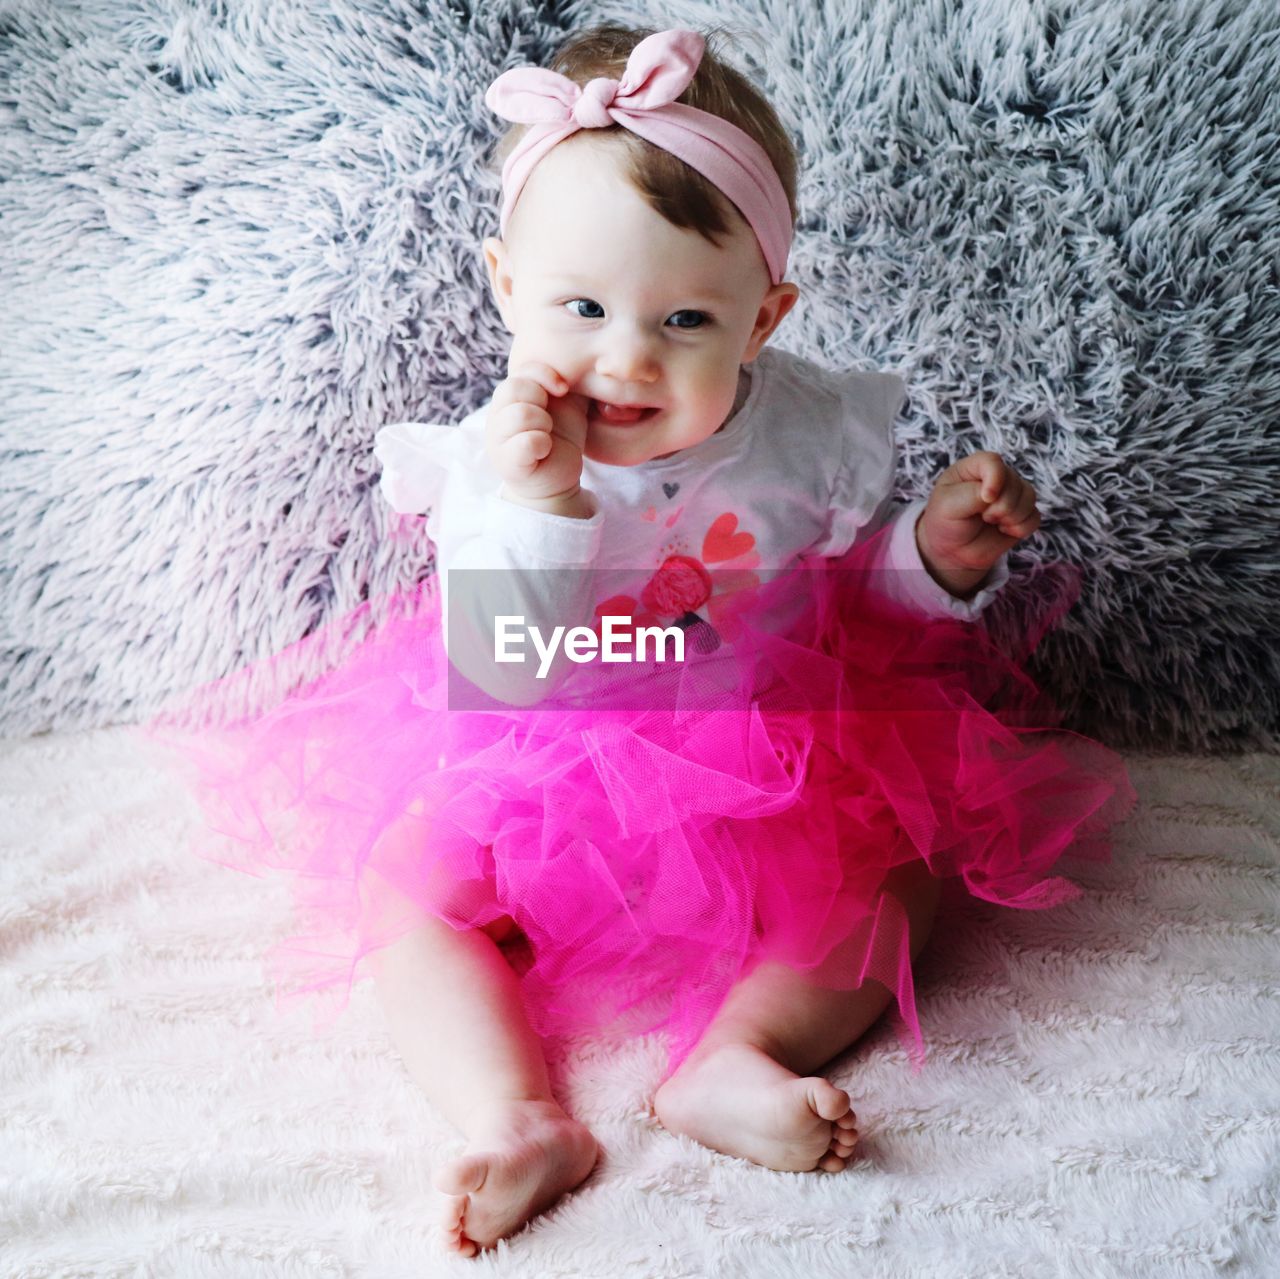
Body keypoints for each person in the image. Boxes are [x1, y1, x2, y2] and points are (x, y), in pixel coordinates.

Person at [143, 24, 1137, 1259]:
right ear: (506, 286)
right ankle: (514, 1114)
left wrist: (931, 560)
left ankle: (736, 1056)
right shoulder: (487, 465)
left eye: (680, 319)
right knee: (409, 889)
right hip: (536, 765)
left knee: (898, 874)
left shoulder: (805, 437)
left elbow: (852, 612)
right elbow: (500, 667)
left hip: (770, 751)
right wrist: (545, 505)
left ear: (761, 318)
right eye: (580, 306)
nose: (622, 357)